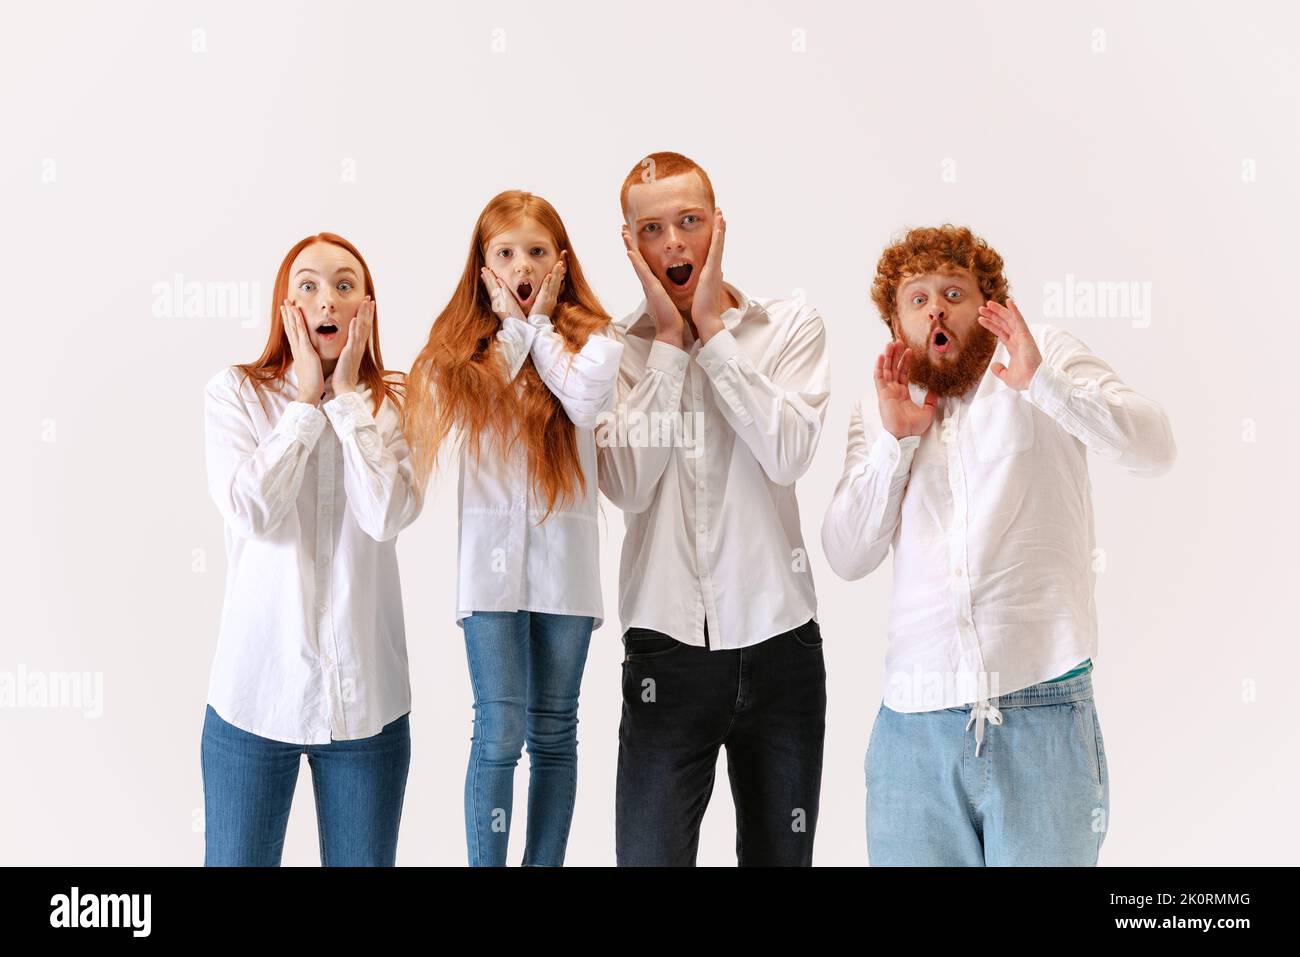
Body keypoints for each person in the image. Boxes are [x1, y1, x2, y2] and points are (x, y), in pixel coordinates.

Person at [821, 224, 1177, 865]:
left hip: (1040, 709)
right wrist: (894, 442)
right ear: (896, 326)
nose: (936, 308)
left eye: (954, 292)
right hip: (912, 731)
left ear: (990, 306)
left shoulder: (1049, 359)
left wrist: (1046, 386)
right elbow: (846, 555)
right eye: (917, 298)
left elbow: (1154, 448)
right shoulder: (881, 408)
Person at [598, 152, 831, 866]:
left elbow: (787, 454)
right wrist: (671, 342)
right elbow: (629, 483)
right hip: (665, 655)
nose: (674, 243)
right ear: (631, 242)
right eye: (653, 229)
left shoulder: (789, 324)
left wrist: (714, 334)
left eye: (690, 222)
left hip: (780, 647)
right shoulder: (613, 350)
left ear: (718, 225)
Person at [404, 190, 623, 866]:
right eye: (504, 253)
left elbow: (584, 402)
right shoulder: (460, 355)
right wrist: (509, 330)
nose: (520, 265)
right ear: (482, 267)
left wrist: (540, 327)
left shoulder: (597, 340)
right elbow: (474, 404)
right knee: (498, 732)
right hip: (489, 580)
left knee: (555, 732)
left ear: (560, 262)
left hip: (565, 575)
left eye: (535, 251)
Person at [201, 232, 422, 866]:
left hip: (368, 708)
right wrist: (303, 403)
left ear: (366, 309)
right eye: (309, 285)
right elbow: (252, 510)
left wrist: (347, 401)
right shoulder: (235, 394)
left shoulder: (389, 405)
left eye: (345, 285)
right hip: (254, 695)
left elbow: (386, 517)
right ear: (286, 306)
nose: (328, 298)